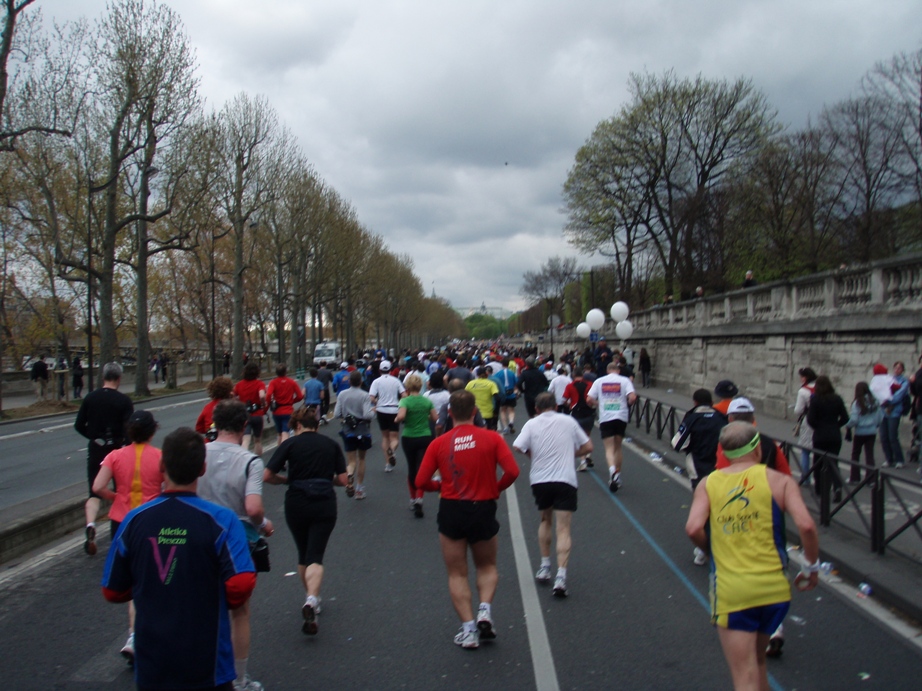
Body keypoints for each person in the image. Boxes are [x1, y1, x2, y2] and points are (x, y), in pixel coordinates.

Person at [102, 427, 256, 691]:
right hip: (207, 659)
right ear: (202, 469)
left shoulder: (135, 520)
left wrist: (148, 587)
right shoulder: (222, 520)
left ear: (162, 466)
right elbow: (241, 582)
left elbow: (112, 590)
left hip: (153, 661)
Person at [685, 422, 819, 691]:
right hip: (775, 591)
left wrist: (713, 550)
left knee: (743, 675)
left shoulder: (708, 484)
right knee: (757, 662)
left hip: (733, 591)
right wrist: (810, 567)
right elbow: (806, 525)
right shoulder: (780, 481)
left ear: (722, 451)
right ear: (758, 449)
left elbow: (693, 528)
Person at [415, 390, 520, 649]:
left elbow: (420, 481)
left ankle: (468, 629)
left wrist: (438, 487)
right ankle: (485, 609)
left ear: (449, 413)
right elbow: (513, 471)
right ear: (475, 412)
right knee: (486, 566)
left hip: (452, 508)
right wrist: (495, 489)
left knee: (457, 573)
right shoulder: (492, 438)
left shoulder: (438, 443)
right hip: (483, 506)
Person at [197, 400, 273, 691]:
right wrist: (265, 525)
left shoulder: (199, 454)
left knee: (202, 605)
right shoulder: (249, 461)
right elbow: (253, 508)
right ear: (244, 426)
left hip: (199, 536)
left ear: (214, 424)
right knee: (239, 610)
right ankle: (238, 679)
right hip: (237, 540)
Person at [712, 397, 792, 659]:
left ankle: (737, 622)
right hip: (770, 516)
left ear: (731, 418)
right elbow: (786, 476)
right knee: (771, 566)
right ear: (753, 417)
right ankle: (774, 629)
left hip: (738, 516)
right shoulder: (769, 443)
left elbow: (721, 478)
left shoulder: (728, 445)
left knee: (738, 568)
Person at [264, 407, 348, 636]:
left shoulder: (289, 445)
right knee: (316, 554)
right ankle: (312, 598)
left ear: (297, 426)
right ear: (317, 425)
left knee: (303, 552)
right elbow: (342, 479)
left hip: (296, 501)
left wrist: (286, 480)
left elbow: (267, 475)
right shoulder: (330, 445)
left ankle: (312, 597)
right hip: (324, 501)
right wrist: (326, 479)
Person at [91, 410, 163, 664]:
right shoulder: (160, 457)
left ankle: (134, 635)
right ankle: (148, 631)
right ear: (153, 431)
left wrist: (117, 497)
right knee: (152, 577)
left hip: (121, 521)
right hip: (151, 520)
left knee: (132, 580)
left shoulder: (114, 456)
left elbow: (98, 487)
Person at [513, 392, 592, 598]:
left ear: (537, 409)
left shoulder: (531, 424)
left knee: (545, 520)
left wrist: (534, 455)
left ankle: (545, 565)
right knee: (563, 528)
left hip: (540, 479)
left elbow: (518, 446)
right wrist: (569, 453)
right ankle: (561, 576)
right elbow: (588, 446)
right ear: (556, 407)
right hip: (565, 479)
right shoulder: (568, 421)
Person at [74, 362, 134, 556]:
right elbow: (129, 430)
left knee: (94, 492)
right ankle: (122, 527)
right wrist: (124, 443)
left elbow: (78, 425)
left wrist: (93, 436)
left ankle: (91, 523)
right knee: (122, 489)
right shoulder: (124, 401)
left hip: (97, 448)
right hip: (117, 449)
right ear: (119, 378)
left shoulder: (91, 398)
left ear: (103, 377)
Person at [672, 389, 728, 565]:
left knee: (703, 507)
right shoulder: (721, 418)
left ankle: (704, 549)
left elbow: (677, 443)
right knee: (720, 505)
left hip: (698, 469)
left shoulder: (692, 418)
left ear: (695, 402)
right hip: (720, 468)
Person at [587, 361, 637, 492]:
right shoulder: (625, 380)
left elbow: (588, 399)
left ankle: (612, 472)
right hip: (621, 416)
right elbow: (632, 397)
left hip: (606, 416)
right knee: (618, 446)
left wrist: (599, 404)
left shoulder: (599, 381)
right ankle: (618, 475)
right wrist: (627, 404)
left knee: (609, 448)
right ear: (618, 371)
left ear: (608, 370)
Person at [395, 374, 437, 517]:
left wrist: (396, 419)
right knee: (421, 467)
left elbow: (401, 416)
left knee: (411, 467)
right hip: (425, 436)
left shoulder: (405, 401)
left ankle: (413, 499)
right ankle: (420, 497)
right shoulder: (426, 401)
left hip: (409, 436)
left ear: (407, 386)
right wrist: (425, 416)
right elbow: (435, 418)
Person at [806, 375, 849, 501]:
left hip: (820, 435)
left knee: (818, 462)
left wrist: (818, 427)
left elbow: (810, 419)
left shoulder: (815, 400)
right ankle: (837, 487)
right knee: (833, 463)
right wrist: (836, 425)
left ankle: (819, 488)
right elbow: (845, 418)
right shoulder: (837, 399)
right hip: (834, 435)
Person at [334, 370, 375, 500]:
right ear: (361, 382)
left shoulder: (342, 394)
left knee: (351, 460)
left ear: (349, 381)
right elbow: (368, 415)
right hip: (362, 430)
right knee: (362, 459)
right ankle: (359, 488)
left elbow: (336, 414)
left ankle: (350, 474)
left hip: (348, 430)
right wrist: (373, 411)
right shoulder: (365, 395)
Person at [368, 360, 406, 471]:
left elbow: (371, 397)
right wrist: (401, 404)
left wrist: (377, 402)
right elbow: (403, 395)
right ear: (390, 370)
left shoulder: (376, 382)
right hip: (394, 409)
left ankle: (388, 464)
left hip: (381, 410)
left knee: (385, 437)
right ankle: (392, 451)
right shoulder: (396, 381)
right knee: (394, 437)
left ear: (380, 370)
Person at [846, 382, 883, 483]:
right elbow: (879, 416)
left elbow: (854, 419)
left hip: (860, 432)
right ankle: (871, 479)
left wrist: (848, 426)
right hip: (872, 432)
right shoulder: (874, 401)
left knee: (855, 454)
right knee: (869, 455)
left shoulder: (857, 403)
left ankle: (854, 477)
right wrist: (876, 425)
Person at [563, 367, 595, 471]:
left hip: (576, 413)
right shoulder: (590, 384)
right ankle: (588, 454)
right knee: (587, 435)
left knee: (579, 438)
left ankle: (583, 462)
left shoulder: (570, 386)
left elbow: (564, 400)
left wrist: (569, 404)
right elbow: (593, 398)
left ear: (573, 376)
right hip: (589, 413)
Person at [880, 361, 909, 469]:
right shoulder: (888, 379)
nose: (897, 370)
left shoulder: (904, 382)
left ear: (902, 370)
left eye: (899, 368)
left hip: (895, 411)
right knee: (883, 436)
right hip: (884, 411)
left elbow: (899, 396)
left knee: (892, 436)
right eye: (896, 368)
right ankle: (889, 459)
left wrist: (887, 400)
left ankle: (899, 460)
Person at [234, 362, 268, 455]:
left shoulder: (239, 385)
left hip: (244, 415)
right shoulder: (259, 383)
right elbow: (262, 395)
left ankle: (242, 460)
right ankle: (257, 462)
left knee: (245, 439)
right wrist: (263, 403)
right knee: (257, 440)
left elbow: (232, 395)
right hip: (257, 414)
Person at [266, 363, 303, 445]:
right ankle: (284, 450)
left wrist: (269, 404)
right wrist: (292, 401)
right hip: (288, 410)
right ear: (286, 372)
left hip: (277, 411)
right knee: (285, 432)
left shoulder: (273, 382)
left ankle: (279, 450)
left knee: (279, 433)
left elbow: (268, 394)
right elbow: (300, 396)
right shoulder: (291, 382)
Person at [793, 367, 817, 477]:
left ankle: (805, 477)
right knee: (819, 451)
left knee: (805, 450)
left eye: (802, 376)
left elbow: (798, 410)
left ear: (805, 378)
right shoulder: (821, 387)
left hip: (808, 421)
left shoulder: (803, 391)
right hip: (820, 421)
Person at [196, 376, 235, 441]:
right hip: (228, 441)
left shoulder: (208, 407)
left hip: (210, 442)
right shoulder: (232, 406)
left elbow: (199, 428)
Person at [465, 366, 501, 431]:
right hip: (488, 413)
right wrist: (496, 411)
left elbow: (464, 397)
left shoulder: (470, 384)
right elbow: (497, 398)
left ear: (477, 374)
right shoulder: (491, 384)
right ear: (486, 374)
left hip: (474, 414)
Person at [490, 358, 518, 434]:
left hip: (502, 394)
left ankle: (505, 427)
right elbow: (516, 382)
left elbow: (495, 382)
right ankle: (511, 421)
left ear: (502, 364)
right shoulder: (512, 373)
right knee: (511, 410)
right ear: (508, 364)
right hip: (511, 393)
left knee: (502, 410)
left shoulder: (498, 374)